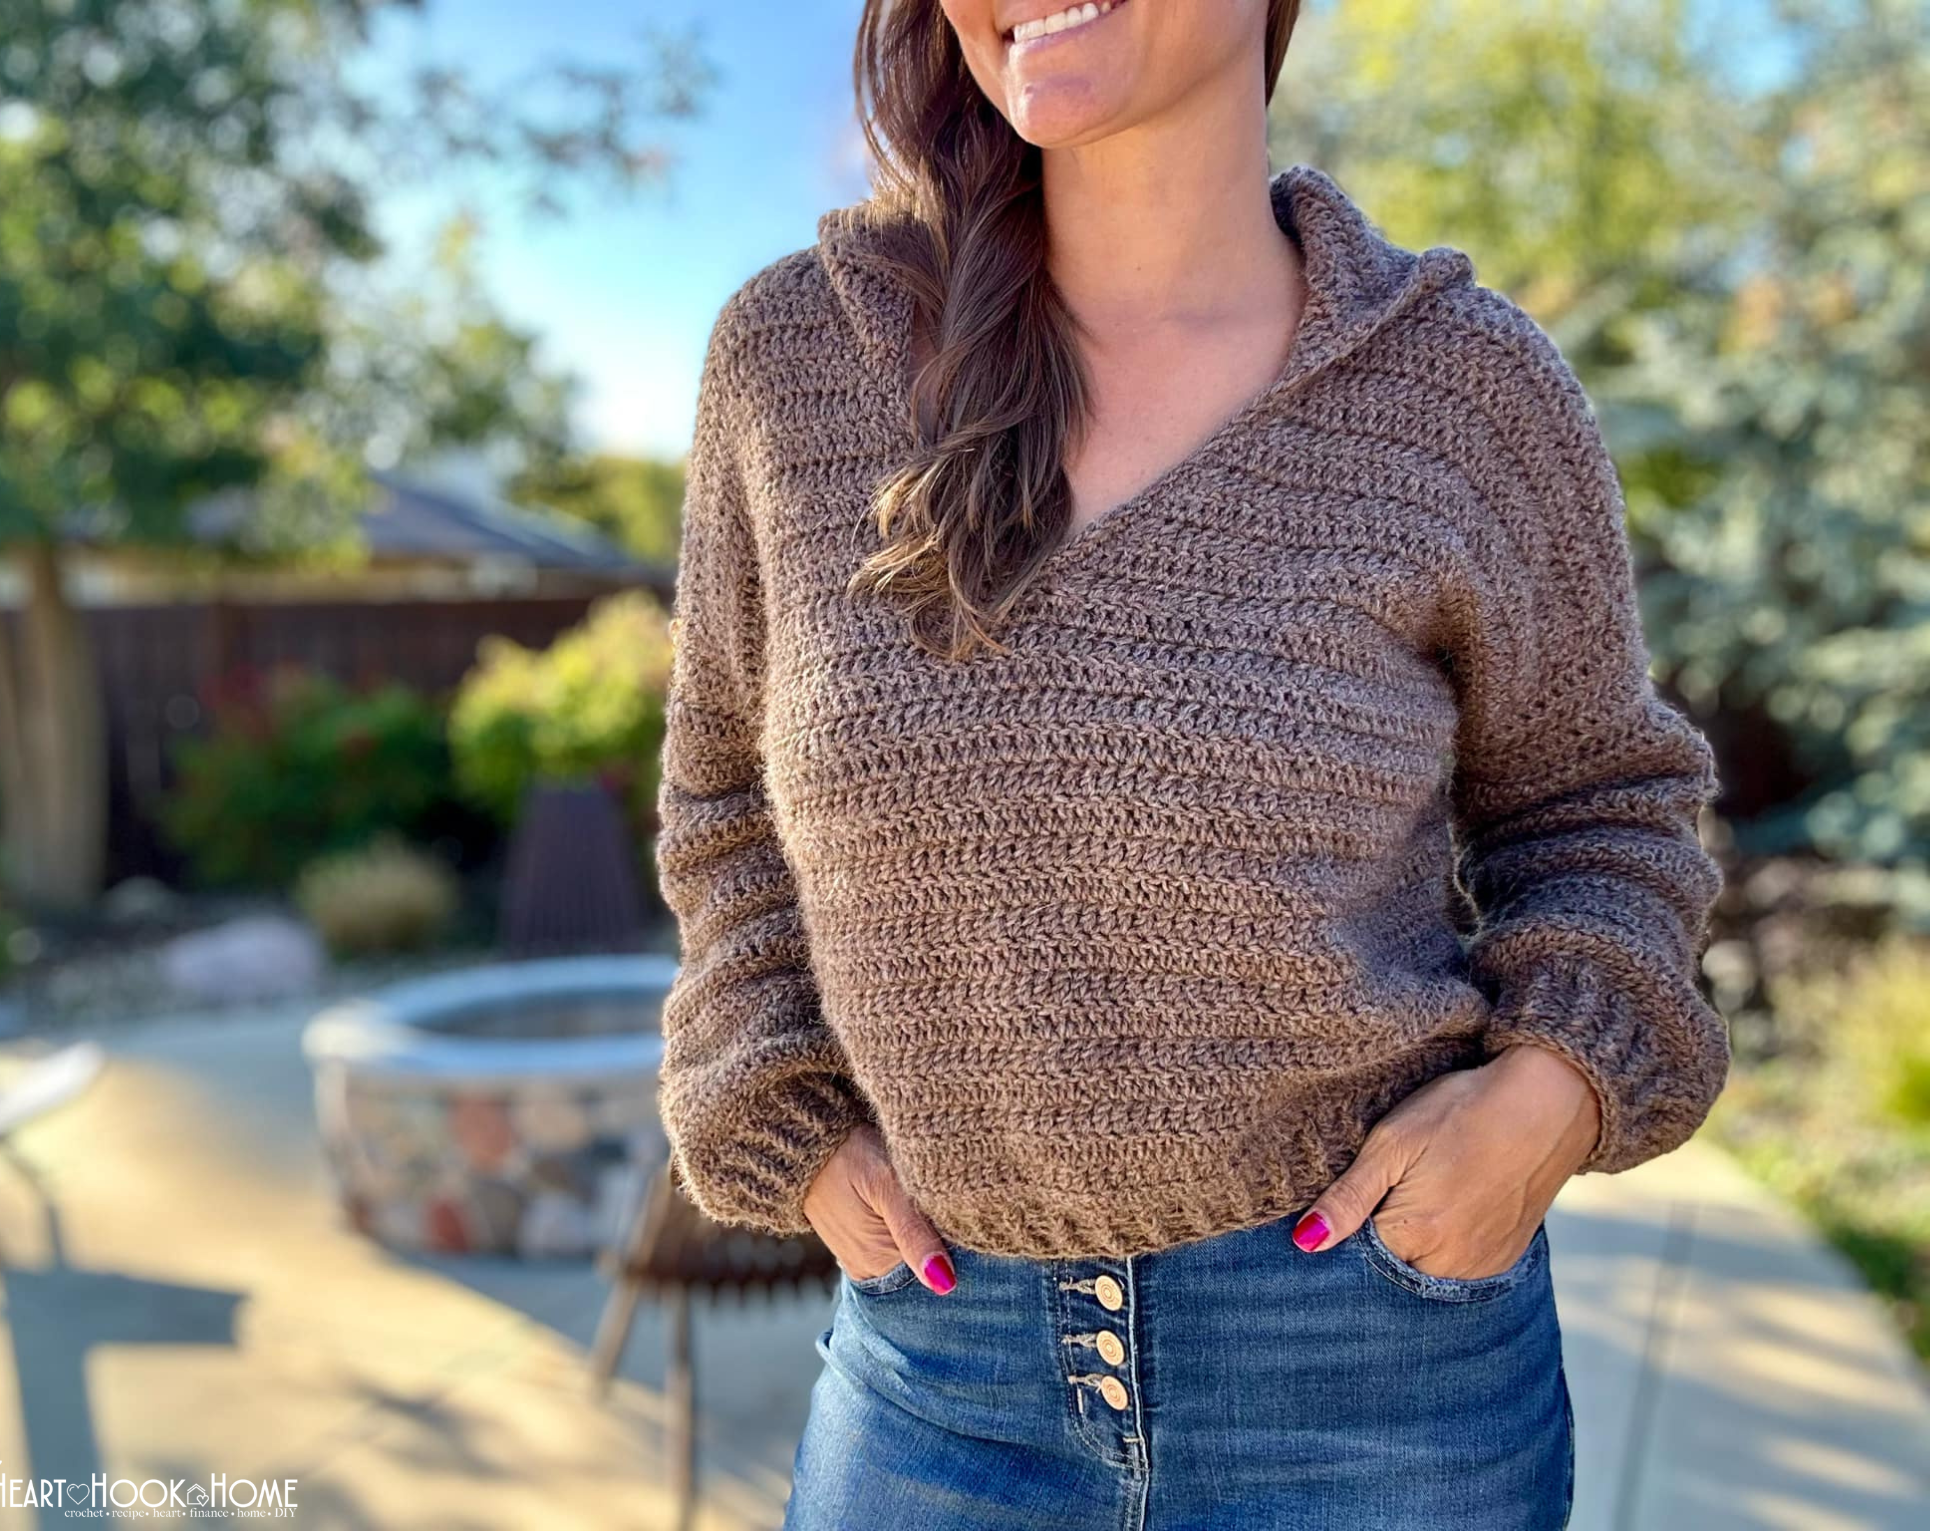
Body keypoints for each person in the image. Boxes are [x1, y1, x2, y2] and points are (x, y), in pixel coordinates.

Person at [651, 0, 1729, 1528]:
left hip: (1375, 1376)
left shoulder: (1459, 392)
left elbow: (1604, 807)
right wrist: (782, 1107)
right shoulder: (797, 364)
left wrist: (1546, 1097)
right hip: (934, 1386)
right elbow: (724, 807)